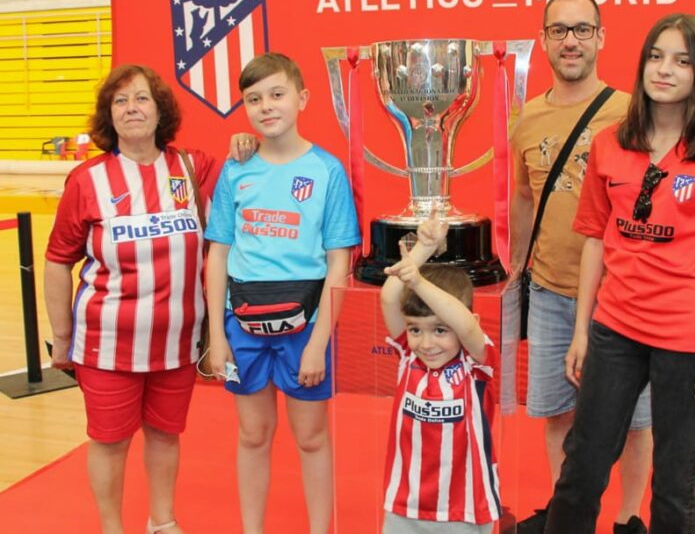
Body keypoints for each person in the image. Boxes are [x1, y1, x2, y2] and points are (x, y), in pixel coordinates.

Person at [509, 0, 695, 534]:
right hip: (613, 328)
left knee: (674, 487)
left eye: (681, 60)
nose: (665, 70)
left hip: (686, 340)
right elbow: (596, 238)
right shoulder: (610, 143)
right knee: (581, 470)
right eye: (656, 56)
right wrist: (583, 329)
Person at [45, 64, 214, 534]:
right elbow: (58, 260)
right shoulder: (86, 180)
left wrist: (243, 144)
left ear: (160, 110)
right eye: (120, 102)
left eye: (141, 98)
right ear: (108, 117)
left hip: (177, 341)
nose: (131, 108)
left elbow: (253, 171)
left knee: (165, 433)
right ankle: (112, 528)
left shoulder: (190, 167)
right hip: (107, 342)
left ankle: (163, 522)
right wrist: (62, 337)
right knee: (110, 440)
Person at [204, 52, 360, 534]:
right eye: (254, 99)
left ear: (302, 98)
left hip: (307, 325)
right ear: (244, 108)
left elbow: (340, 261)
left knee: (311, 437)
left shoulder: (327, 171)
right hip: (242, 323)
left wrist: (318, 342)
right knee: (252, 433)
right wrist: (217, 334)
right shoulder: (237, 168)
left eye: (277, 94)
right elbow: (218, 254)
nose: (266, 106)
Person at [379, 214, 501, 534]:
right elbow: (389, 297)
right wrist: (424, 249)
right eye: (416, 330)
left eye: (440, 330)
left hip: (464, 509)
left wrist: (419, 282)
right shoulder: (408, 355)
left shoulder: (477, 364)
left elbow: (466, 326)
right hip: (406, 505)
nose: (427, 343)